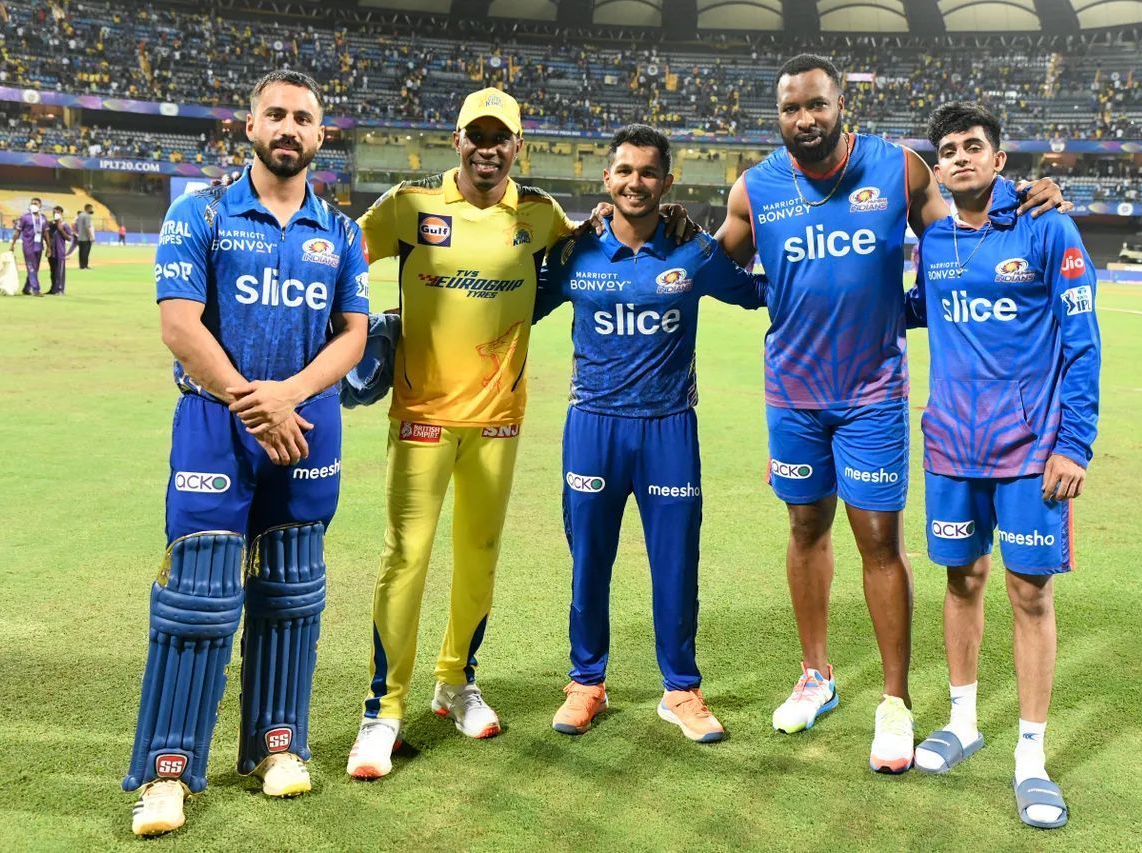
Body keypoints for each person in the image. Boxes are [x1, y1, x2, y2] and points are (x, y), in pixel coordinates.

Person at [714, 54, 1068, 773]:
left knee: (880, 538)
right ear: (777, 116)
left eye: (817, 104)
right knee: (804, 524)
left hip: (873, 391)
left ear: (841, 105)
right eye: (791, 109)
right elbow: (717, 268)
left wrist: (1030, 198)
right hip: (793, 392)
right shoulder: (755, 189)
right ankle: (817, 675)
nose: (805, 119)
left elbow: (961, 238)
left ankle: (896, 700)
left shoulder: (901, 169)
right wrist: (756, 291)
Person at [122, 70, 369, 837]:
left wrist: (287, 396)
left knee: (292, 593)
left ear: (319, 136)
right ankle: (168, 771)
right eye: (276, 115)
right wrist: (252, 401)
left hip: (306, 423)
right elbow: (179, 324)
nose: (288, 127)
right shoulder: (198, 212)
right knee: (196, 596)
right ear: (250, 126)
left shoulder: (344, 231)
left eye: (303, 117)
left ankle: (278, 744)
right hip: (216, 419)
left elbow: (354, 334)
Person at [345, 87, 579, 779]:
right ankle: (381, 711)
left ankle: (456, 681)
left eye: (499, 136)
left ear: (516, 146)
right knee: (405, 557)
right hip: (420, 418)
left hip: (499, 423)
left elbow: (586, 262)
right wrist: (366, 331)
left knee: (479, 555)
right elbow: (340, 258)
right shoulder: (410, 206)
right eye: (476, 135)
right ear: (457, 141)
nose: (487, 147)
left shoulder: (538, 215)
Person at [535, 125, 765, 743]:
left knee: (675, 563)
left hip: (668, 430)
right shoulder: (572, 254)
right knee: (590, 561)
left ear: (667, 183)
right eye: (624, 171)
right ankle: (587, 682)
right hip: (593, 425)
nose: (635, 182)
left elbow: (758, 294)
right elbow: (511, 303)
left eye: (647, 172)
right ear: (606, 180)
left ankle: (681, 691)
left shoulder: (695, 252)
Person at [905, 102, 1100, 830]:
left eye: (973, 147)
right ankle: (962, 720)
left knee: (1029, 593)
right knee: (962, 578)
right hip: (953, 443)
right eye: (947, 149)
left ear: (999, 160)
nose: (959, 157)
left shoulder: (1049, 227)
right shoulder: (934, 240)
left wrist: (1074, 443)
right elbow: (918, 310)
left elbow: (1083, 342)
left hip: (1029, 451)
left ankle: (1031, 754)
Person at [9, 197, 46, 296]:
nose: (33, 205)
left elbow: (45, 233)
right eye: (32, 203)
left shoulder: (43, 218)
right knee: (31, 268)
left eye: (36, 203)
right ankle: (36, 290)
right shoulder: (25, 217)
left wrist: (49, 247)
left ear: (40, 206)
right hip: (28, 246)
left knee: (35, 268)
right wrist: (12, 244)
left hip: (39, 246)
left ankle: (26, 288)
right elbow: (17, 232)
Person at [44, 205, 75, 295]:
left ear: (61, 214)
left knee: (60, 272)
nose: (56, 214)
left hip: (60, 252)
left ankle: (60, 289)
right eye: (54, 212)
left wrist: (61, 230)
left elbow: (69, 238)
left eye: (57, 213)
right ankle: (53, 289)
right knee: (52, 272)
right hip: (51, 251)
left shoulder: (65, 225)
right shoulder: (50, 224)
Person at [74, 203, 94, 269]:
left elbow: (76, 225)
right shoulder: (87, 216)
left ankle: (81, 265)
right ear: (88, 208)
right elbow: (87, 227)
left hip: (80, 237)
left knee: (81, 252)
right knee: (86, 252)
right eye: (91, 208)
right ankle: (85, 265)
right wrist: (90, 237)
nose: (92, 210)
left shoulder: (80, 215)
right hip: (86, 238)